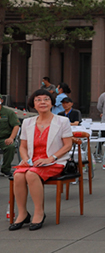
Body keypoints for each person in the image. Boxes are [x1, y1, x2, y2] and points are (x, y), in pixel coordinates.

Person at [9, 89, 73, 231]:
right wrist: (25, 159)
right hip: (32, 161)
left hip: (54, 161)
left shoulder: (62, 121)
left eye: (46, 99)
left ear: (51, 103)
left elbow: (68, 145)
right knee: (18, 175)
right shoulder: (27, 122)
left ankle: (39, 212)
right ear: (33, 104)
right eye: (38, 100)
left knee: (31, 174)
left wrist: (50, 158)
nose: (42, 102)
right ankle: (23, 213)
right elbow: (23, 147)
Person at [0, 95, 20, 178]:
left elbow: (16, 126)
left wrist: (11, 138)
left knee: (10, 146)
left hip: (5, 138)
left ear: (1, 100)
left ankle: (5, 169)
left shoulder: (9, 112)